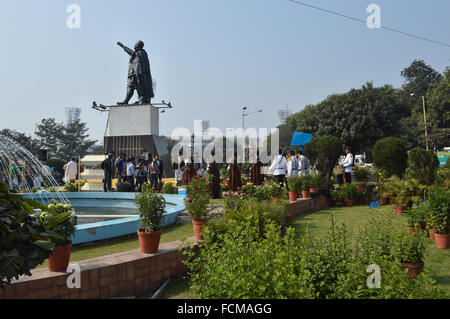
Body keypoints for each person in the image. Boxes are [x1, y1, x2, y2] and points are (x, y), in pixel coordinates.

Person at [117, 40, 154, 105]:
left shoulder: (142, 53)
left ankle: (142, 99)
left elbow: (145, 65)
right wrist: (123, 46)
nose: (134, 45)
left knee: (141, 87)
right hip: (132, 73)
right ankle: (126, 100)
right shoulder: (135, 53)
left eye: (136, 44)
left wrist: (142, 74)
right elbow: (130, 51)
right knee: (130, 86)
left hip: (139, 74)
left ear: (138, 45)